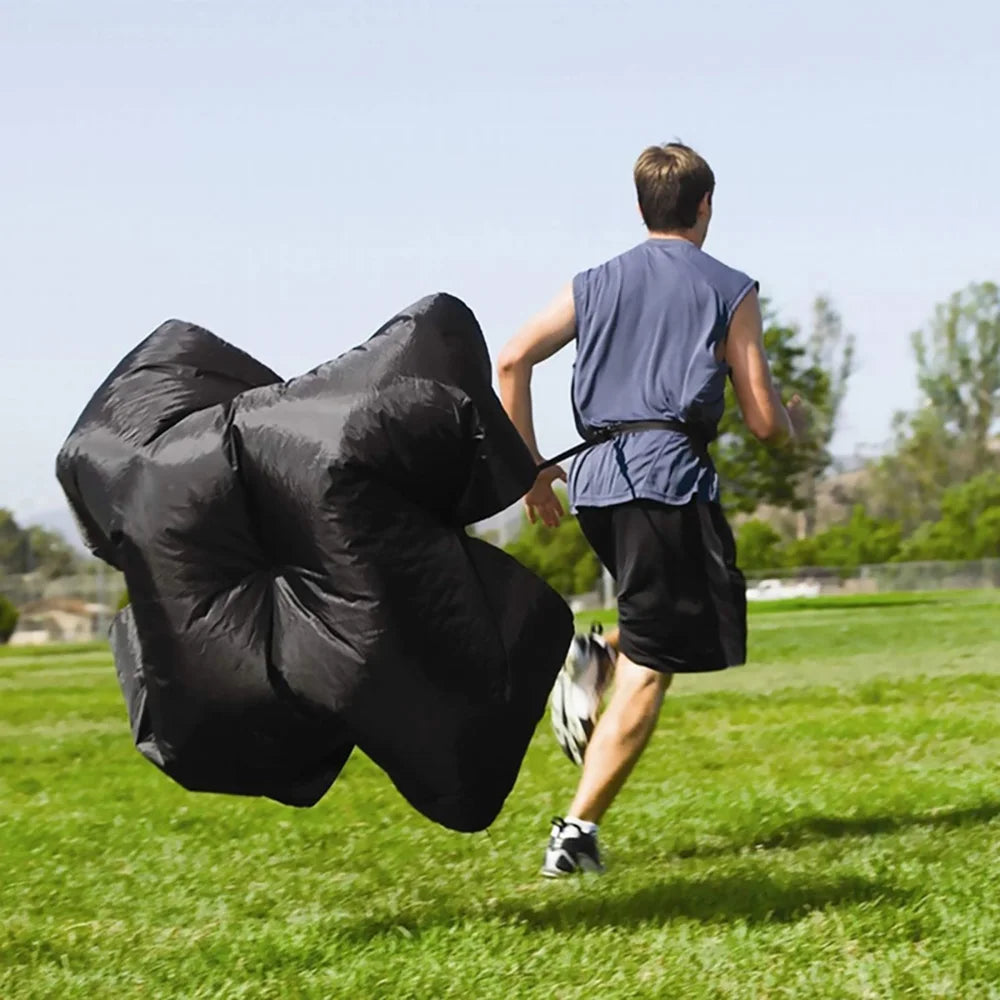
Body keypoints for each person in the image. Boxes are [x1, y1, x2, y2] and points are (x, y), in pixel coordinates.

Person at [496, 141, 808, 876]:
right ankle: (576, 835)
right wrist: (796, 421)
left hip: (598, 486)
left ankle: (594, 656)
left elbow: (511, 358)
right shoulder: (730, 287)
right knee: (655, 665)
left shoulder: (594, 282)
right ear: (705, 207)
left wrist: (533, 472)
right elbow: (763, 420)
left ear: (642, 209)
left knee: (669, 631)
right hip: (666, 486)